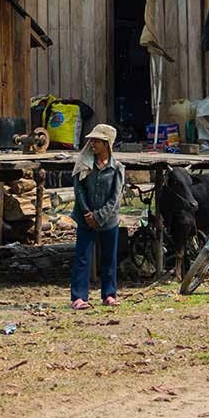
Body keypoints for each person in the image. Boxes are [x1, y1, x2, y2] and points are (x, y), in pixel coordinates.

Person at [69, 124, 125, 309]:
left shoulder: (116, 168)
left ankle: (109, 294)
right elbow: (79, 190)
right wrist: (87, 213)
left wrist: (99, 216)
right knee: (82, 257)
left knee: (109, 258)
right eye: (92, 141)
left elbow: (115, 197)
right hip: (85, 218)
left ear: (106, 144)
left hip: (108, 220)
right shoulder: (84, 164)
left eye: (97, 141)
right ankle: (79, 297)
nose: (92, 144)